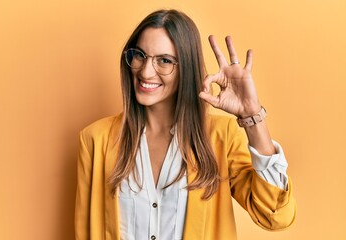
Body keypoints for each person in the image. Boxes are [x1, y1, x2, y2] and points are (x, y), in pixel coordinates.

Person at [75, 9, 296, 240]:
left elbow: (276, 215)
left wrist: (252, 115)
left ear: (186, 68)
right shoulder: (94, 139)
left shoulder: (221, 137)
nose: (146, 71)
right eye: (140, 55)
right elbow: (84, 231)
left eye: (164, 60)